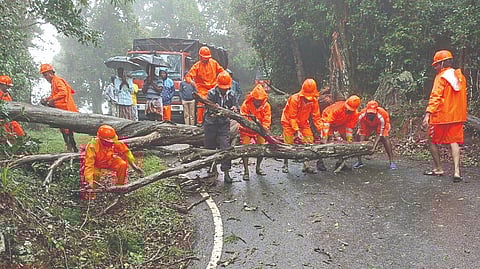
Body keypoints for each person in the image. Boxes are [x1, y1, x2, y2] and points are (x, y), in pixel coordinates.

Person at [422, 49, 467, 182]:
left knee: (431, 140)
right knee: (454, 142)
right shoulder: (459, 76)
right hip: (457, 116)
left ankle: (438, 168)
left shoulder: (441, 77)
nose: (435, 67)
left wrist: (428, 113)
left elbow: (436, 96)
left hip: (441, 116)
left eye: (436, 64)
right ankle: (457, 172)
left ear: (442, 64)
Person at [83, 125, 144, 199]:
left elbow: (126, 151)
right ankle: (92, 193)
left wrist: (133, 165)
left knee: (122, 164)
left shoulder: (114, 141)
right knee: (94, 174)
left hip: (110, 161)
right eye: (108, 141)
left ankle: (120, 187)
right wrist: (89, 180)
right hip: (96, 164)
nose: (111, 143)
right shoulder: (93, 146)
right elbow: (89, 165)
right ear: (101, 139)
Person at [281, 78, 323, 174]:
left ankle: (306, 165)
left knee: (309, 141)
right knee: (288, 143)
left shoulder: (314, 100)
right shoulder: (294, 99)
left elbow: (316, 117)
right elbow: (292, 117)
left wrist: (321, 130)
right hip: (288, 121)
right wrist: (297, 130)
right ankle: (285, 164)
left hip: (303, 122)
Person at [204, 71, 238, 183]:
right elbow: (207, 107)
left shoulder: (232, 94)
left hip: (224, 124)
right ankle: (212, 170)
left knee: (225, 147)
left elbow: (237, 107)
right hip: (211, 124)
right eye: (222, 88)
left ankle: (226, 172)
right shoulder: (211, 93)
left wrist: (234, 108)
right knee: (209, 147)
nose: (224, 90)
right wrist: (214, 108)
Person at [40, 63, 79, 152]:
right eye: (44, 75)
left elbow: (63, 92)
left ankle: (73, 148)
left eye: (45, 75)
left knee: (68, 130)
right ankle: (70, 147)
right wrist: (47, 99)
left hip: (65, 108)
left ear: (50, 73)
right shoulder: (54, 82)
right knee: (64, 129)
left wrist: (52, 100)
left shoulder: (57, 81)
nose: (45, 77)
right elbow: (55, 94)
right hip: (61, 108)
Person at [318, 95, 361, 171]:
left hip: (341, 123)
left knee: (345, 141)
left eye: (350, 110)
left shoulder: (355, 114)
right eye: (347, 109)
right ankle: (320, 161)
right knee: (325, 139)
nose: (348, 111)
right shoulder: (337, 109)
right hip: (328, 121)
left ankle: (340, 162)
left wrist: (349, 140)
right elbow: (327, 123)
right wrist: (326, 136)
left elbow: (349, 128)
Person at [185, 46, 225, 125]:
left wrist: (220, 81)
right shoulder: (197, 66)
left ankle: (217, 122)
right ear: (200, 57)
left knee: (217, 103)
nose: (206, 59)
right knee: (201, 104)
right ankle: (200, 123)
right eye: (204, 57)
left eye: (207, 57)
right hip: (202, 88)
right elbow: (188, 77)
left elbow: (222, 72)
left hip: (213, 87)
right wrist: (193, 83)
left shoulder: (214, 63)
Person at [239, 84, 271, 180]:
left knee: (261, 148)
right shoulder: (246, 105)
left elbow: (267, 119)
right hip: (246, 130)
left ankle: (258, 167)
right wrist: (252, 126)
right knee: (245, 149)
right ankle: (246, 171)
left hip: (259, 131)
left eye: (260, 100)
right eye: (257, 100)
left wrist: (264, 128)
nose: (258, 102)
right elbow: (243, 119)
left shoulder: (266, 106)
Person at [353, 100, 397, 170]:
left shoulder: (382, 116)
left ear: (376, 111)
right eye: (369, 113)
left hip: (381, 124)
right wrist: (361, 145)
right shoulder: (361, 115)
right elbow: (362, 131)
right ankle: (359, 161)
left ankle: (391, 161)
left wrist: (374, 148)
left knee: (385, 137)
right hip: (367, 124)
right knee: (357, 136)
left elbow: (379, 133)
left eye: (372, 113)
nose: (370, 115)